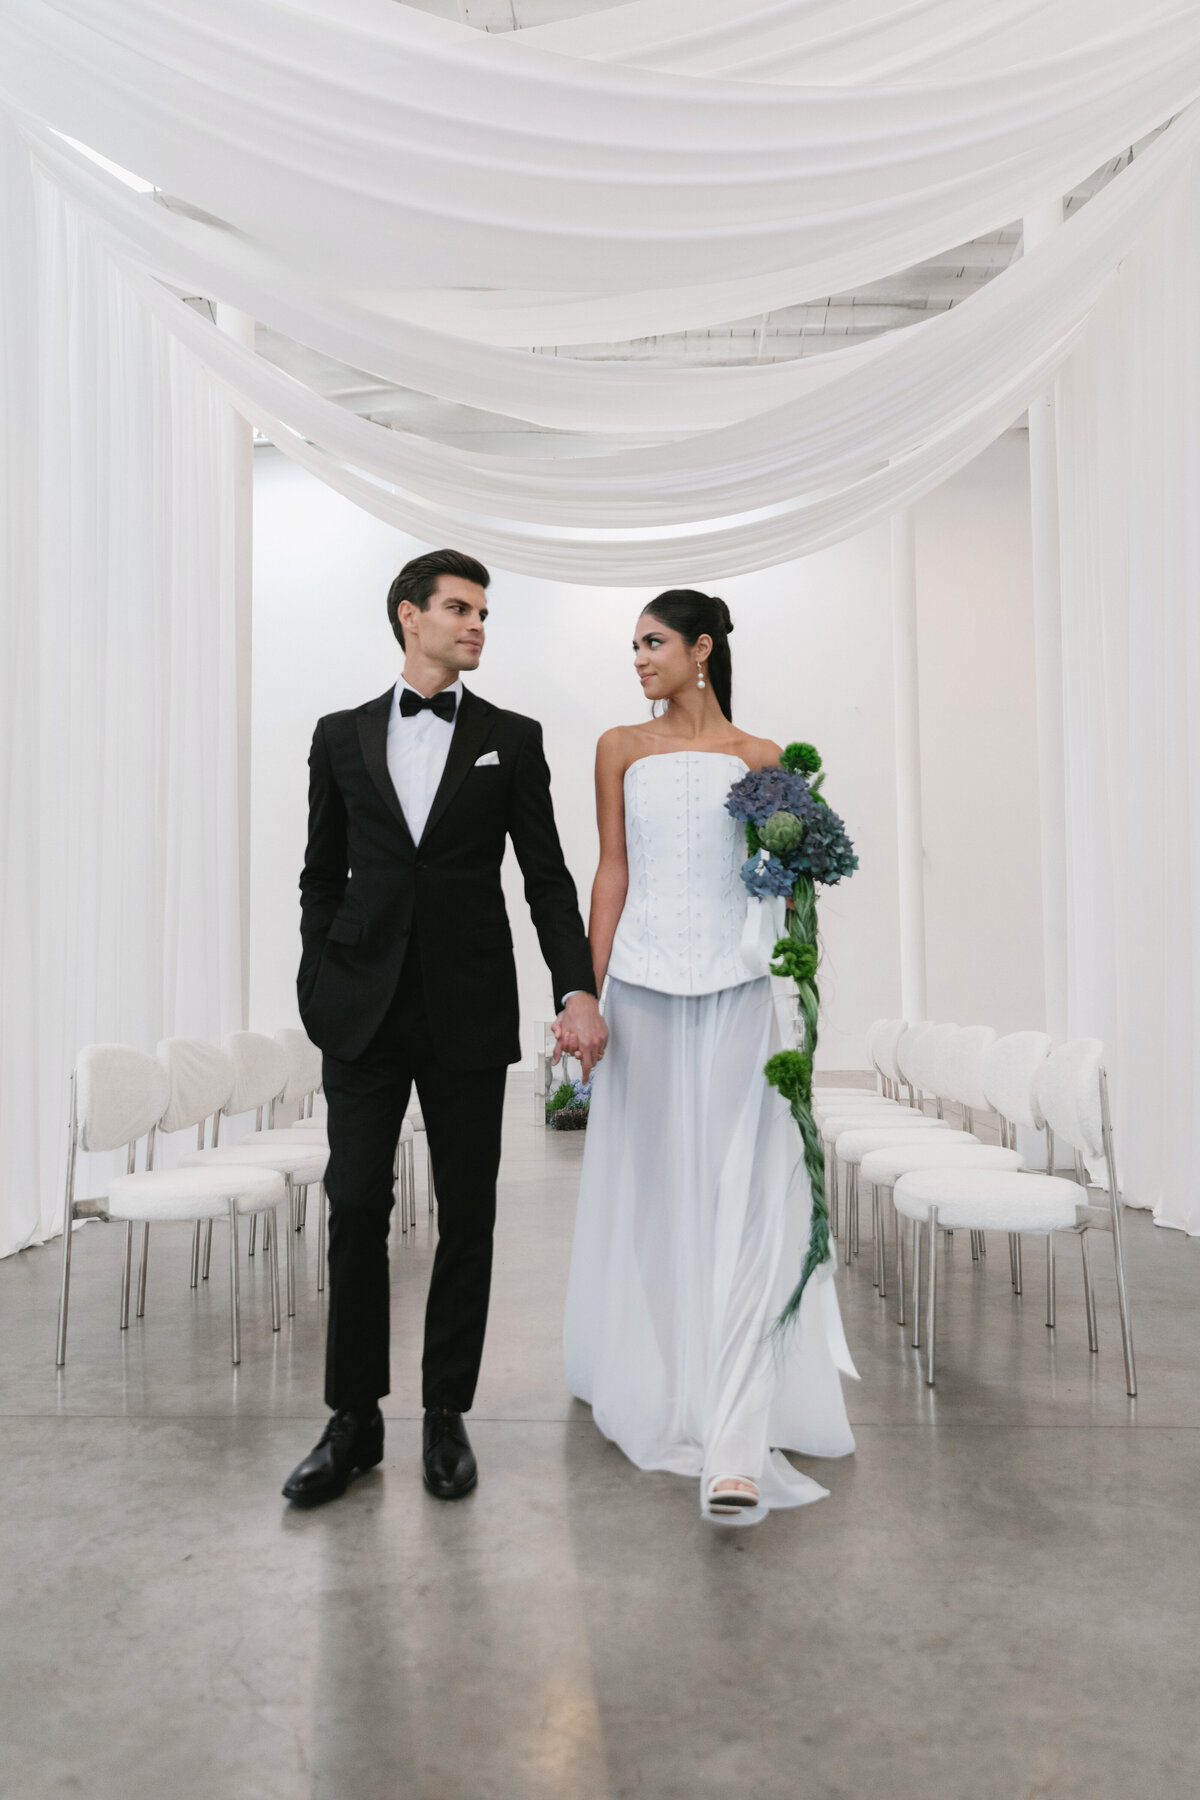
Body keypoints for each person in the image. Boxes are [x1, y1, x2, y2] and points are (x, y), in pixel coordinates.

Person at [284, 549, 606, 1506]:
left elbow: (545, 877)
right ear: (408, 616)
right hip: (361, 1008)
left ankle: (444, 1416)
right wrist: (317, 976)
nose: (477, 626)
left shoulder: (514, 736)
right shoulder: (339, 735)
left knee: (470, 1214)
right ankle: (353, 1421)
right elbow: (319, 872)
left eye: (482, 612)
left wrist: (575, 987)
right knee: (353, 1208)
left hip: (467, 1007)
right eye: (460, 609)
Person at [562, 590, 856, 1525]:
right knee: (657, 1196)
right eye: (633, 645)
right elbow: (611, 869)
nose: (638, 659)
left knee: (748, 1202)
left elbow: (788, 893)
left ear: (702, 649)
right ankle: (670, 1386)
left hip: (739, 991)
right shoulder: (618, 746)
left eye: (652, 642)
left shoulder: (763, 761)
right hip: (642, 990)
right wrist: (586, 998)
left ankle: (734, 1441)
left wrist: (797, 999)